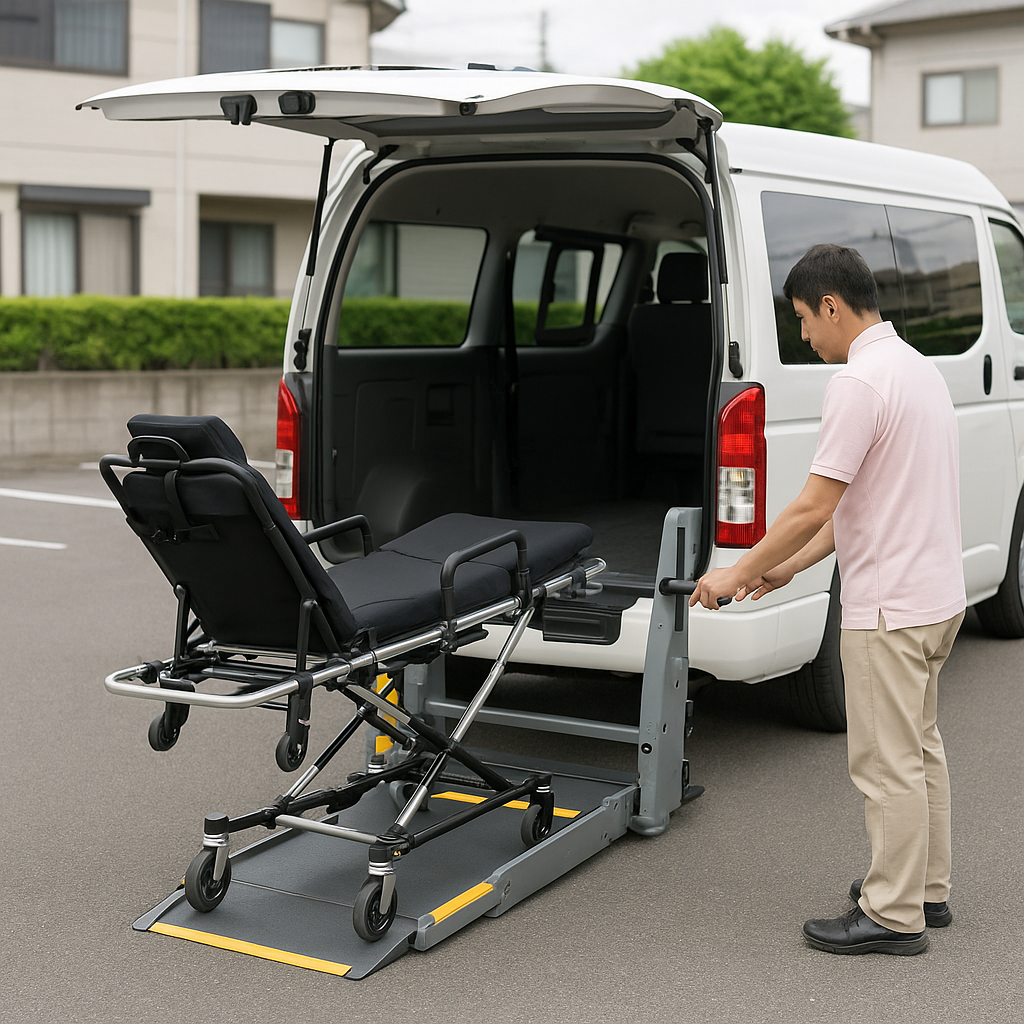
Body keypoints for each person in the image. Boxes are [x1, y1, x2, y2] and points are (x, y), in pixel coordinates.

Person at [690, 243, 966, 955]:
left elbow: (814, 503)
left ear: (833, 306)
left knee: (887, 763)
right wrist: (786, 570)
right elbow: (862, 504)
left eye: (804, 319)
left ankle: (892, 915)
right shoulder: (916, 369)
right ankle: (924, 891)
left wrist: (731, 573)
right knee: (921, 749)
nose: (805, 335)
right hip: (937, 600)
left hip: (889, 609)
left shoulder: (858, 383)